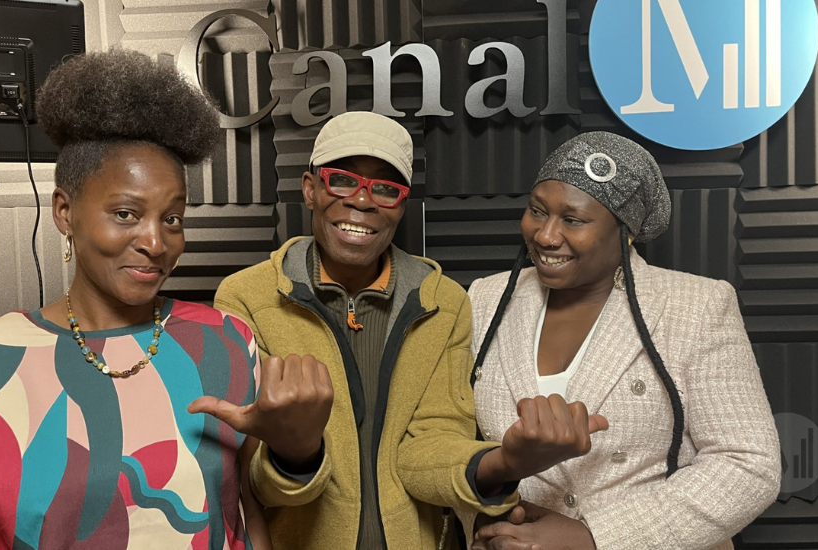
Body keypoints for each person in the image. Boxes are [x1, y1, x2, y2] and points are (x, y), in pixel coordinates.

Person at [0, 49, 331, 550]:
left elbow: (244, 517)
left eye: (172, 218)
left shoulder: (224, 340)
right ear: (64, 211)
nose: (156, 242)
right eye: (127, 214)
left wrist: (298, 447)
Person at [198, 111, 608, 550]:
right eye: (342, 180)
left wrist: (505, 463)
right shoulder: (247, 298)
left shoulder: (442, 303)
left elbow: (427, 450)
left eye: (386, 189)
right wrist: (294, 451)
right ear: (310, 189)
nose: (362, 201)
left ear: (402, 204)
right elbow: (254, 489)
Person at [468, 132, 781, 550]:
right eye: (537, 211)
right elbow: (448, 447)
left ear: (626, 232)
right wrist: (489, 514)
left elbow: (749, 465)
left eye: (573, 220)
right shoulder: (485, 300)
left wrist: (595, 537)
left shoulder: (696, 305)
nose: (545, 235)